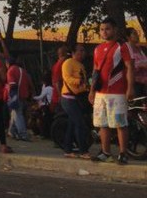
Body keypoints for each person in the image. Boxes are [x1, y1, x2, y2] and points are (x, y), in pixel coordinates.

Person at [90, 17, 134, 165]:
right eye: (102, 29)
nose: (104, 32)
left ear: (115, 30)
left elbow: (129, 67)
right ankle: (106, 152)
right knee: (103, 124)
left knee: (120, 123)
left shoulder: (122, 46)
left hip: (117, 92)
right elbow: (95, 71)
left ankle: (123, 153)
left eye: (107, 29)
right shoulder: (97, 49)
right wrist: (92, 91)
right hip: (100, 93)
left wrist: (130, 88)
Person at [60, 44, 92, 159]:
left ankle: (68, 149)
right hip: (68, 98)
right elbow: (67, 78)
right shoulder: (68, 63)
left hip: (78, 97)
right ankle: (83, 151)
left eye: (84, 51)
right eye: (80, 51)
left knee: (72, 124)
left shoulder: (80, 65)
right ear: (73, 52)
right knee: (79, 124)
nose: (83, 53)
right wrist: (80, 81)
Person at [6, 55, 33, 141]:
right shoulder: (22, 70)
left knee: (18, 114)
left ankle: (23, 134)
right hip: (24, 95)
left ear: (8, 63)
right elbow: (30, 83)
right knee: (14, 114)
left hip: (16, 96)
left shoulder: (10, 70)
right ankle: (12, 131)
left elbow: (12, 85)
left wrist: (10, 97)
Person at [126, 27, 147, 97]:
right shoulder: (126, 49)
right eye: (134, 34)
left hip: (144, 84)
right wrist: (140, 65)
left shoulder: (140, 49)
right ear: (128, 37)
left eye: (137, 33)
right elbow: (127, 66)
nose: (137, 36)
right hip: (135, 84)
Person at [51, 45, 69, 112]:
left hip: (59, 96)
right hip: (60, 98)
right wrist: (60, 96)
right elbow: (57, 82)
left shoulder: (57, 65)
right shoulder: (60, 65)